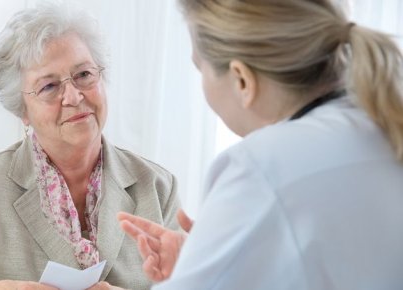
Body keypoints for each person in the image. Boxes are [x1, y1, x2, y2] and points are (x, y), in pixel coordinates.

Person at [0, 2, 180, 290]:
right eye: (49, 87)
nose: (73, 96)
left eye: (83, 75)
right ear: (23, 112)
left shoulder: (157, 187)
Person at [117, 0, 403, 289]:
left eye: (199, 68)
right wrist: (210, 264)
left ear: (242, 79)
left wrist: (205, 270)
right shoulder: (382, 122)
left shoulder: (260, 166)